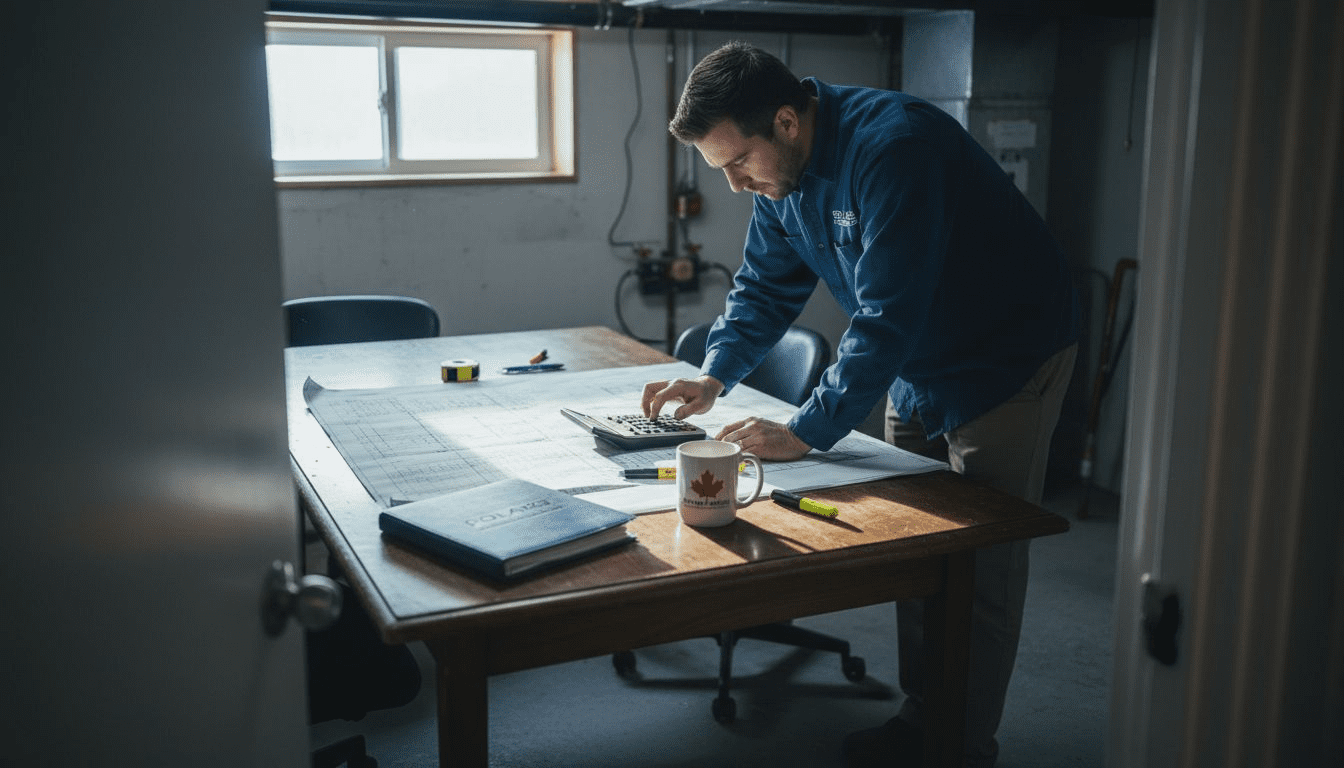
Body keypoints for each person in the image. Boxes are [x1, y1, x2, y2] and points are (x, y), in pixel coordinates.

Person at [641, 42, 1080, 768]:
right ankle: (922, 720)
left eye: (736, 163)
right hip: (914, 364)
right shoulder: (781, 179)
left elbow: (885, 318)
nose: (733, 184)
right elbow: (762, 289)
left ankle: (961, 747)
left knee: (982, 565)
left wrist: (806, 431)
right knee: (920, 549)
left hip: (1006, 358)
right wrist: (712, 375)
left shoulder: (894, 148)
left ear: (786, 121)